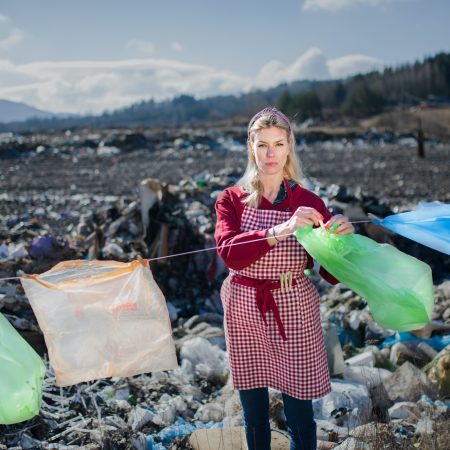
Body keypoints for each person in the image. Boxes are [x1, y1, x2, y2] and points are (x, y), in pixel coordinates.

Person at [214, 107, 354, 450]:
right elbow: (230, 252)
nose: (270, 153)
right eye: (262, 145)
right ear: (251, 146)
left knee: (299, 411)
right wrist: (283, 228)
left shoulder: (308, 201)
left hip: (294, 306)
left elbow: (328, 273)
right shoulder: (230, 199)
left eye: (278, 144)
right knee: (255, 412)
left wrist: (341, 243)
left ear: (289, 146)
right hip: (245, 307)